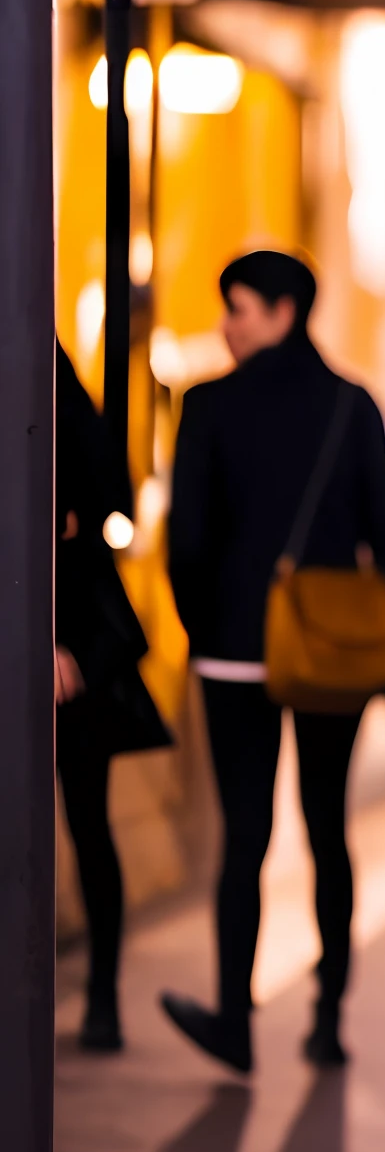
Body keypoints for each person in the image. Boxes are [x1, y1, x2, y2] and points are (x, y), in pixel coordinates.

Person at [162, 250, 385, 1074]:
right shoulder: (351, 405)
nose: (227, 326)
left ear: (282, 311)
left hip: (233, 652)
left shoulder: (209, 406)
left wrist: (207, 631)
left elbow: (185, 544)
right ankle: (328, 1019)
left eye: (238, 308)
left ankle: (234, 1020)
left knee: (246, 838)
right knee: (330, 830)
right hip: (332, 654)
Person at [56, 342, 167, 1050]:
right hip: (73, 662)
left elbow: (101, 531)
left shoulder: (63, 412)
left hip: (75, 666)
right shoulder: (69, 398)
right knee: (90, 829)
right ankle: (99, 997)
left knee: (89, 829)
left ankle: (101, 995)